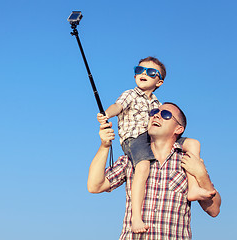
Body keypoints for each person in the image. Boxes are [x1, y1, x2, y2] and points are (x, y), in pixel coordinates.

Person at [96, 56, 215, 233]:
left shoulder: (157, 104)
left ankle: (194, 188)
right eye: (139, 70)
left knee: (194, 143)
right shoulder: (130, 94)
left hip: (147, 139)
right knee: (143, 166)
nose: (143, 74)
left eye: (151, 72)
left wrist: (200, 172)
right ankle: (136, 218)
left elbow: (215, 210)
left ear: (159, 82)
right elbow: (118, 106)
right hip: (135, 139)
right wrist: (106, 115)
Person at [88, 102, 221, 239]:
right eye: (154, 112)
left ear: (178, 129)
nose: (156, 115)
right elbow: (94, 186)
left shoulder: (188, 162)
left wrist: (201, 174)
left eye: (166, 115)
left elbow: (214, 210)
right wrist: (104, 146)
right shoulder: (133, 159)